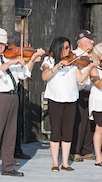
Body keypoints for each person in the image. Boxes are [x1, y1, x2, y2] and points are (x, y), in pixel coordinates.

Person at [0, 28, 45, 179]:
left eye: (3, 44)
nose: (0, 46)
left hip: (12, 96)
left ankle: (8, 167)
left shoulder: (11, 55)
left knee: (11, 133)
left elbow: (23, 74)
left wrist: (33, 59)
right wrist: (11, 62)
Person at [40, 37, 99, 172]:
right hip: (55, 100)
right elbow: (44, 76)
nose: (69, 50)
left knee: (68, 132)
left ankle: (65, 163)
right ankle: (55, 162)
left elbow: (80, 79)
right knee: (56, 131)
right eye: (66, 47)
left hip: (71, 100)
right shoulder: (48, 60)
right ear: (59, 47)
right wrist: (57, 66)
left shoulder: (74, 63)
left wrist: (90, 67)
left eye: (70, 47)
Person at [70, 29, 96, 162]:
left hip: (91, 92)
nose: (93, 41)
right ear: (81, 41)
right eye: (89, 39)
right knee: (78, 123)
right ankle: (75, 151)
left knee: (90, 123)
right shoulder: (74, 55)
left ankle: (87, 150)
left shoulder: (93, 55)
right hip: (78, 92)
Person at [89, 43, 102, 166]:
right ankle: (98, 157)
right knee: (99, 129)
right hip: (99, 102)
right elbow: (99, 84)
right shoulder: (94, 68)